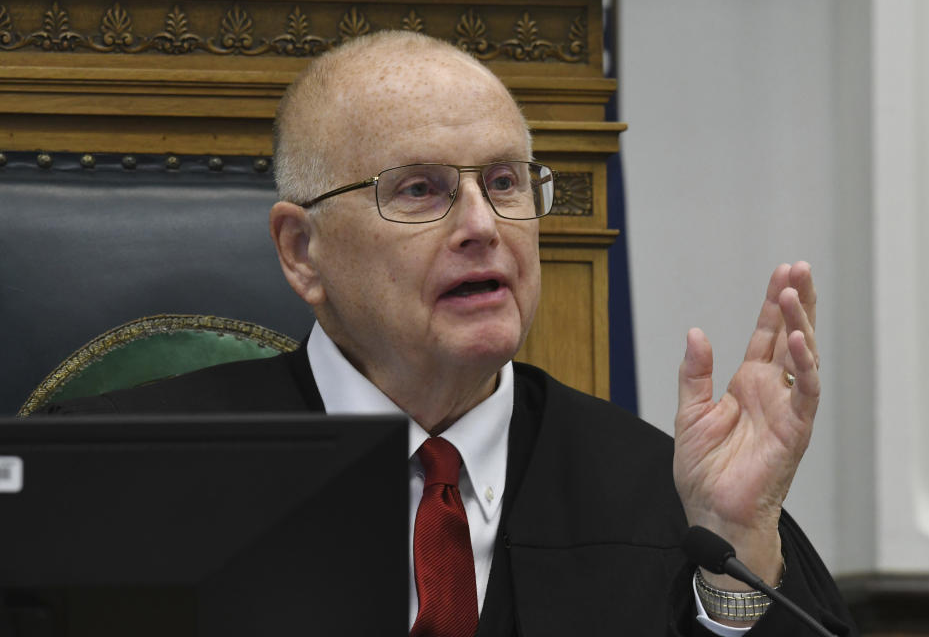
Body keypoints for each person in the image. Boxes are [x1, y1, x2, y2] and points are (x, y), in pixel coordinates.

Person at [49, 31, 855, 636]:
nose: (484, 225)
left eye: (505, 181)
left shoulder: (669, 497)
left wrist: (740, 563)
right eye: (421, 189)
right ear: (303, 251)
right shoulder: (123, 478)